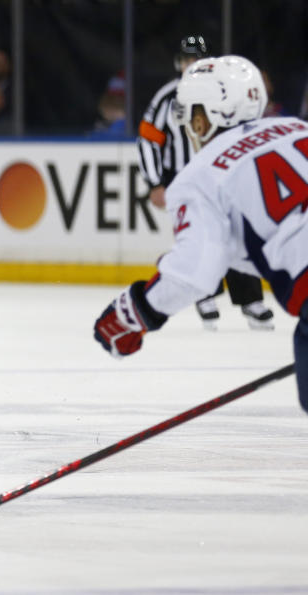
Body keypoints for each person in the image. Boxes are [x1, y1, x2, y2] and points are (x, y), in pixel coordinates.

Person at [94, 55, 308, 414]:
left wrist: (132, 313)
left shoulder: (201, 175)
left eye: (194, 114)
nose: (192, 126)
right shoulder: (298, 129)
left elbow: (194, 272)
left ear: (209, 115)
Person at [136, 35, 274, 331]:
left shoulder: (225, 91)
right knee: (199, 235)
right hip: (186, 178)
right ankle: (206, 295)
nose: (191, 65)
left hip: (225, 175)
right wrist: (154, 181)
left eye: (196, 59)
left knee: (239, 231)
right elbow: (148, 139)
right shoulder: (168, 96)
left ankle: (250, 298)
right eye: (186, 60)